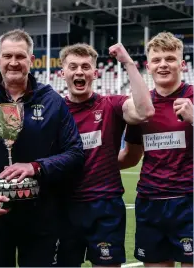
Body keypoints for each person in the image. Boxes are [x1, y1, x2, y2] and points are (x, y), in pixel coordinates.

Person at [0, 29, 85, 267]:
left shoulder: (51, 100)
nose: (14, 62)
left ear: (31, 60)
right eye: (7, 56)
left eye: (20, 56)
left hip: (40, 215)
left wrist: (36, 166)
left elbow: (75, 152)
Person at [57, 43, 155, 267]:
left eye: (85, 66)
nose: (79, 71)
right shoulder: (54, 110)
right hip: (63, 206)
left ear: (95, 72)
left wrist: (128, 63)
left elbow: (145, 111)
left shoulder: (111, 105)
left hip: (105, 206)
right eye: (73, 66)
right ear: (62, 73)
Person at [119, 32, 193, 267]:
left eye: (170, 59)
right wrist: (90, 162)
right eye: (157, 60)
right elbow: (131, 156)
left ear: (182, 64)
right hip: (150, 201)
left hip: (189, 200)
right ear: (148, 66)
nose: (163, 65)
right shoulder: (141, 107)